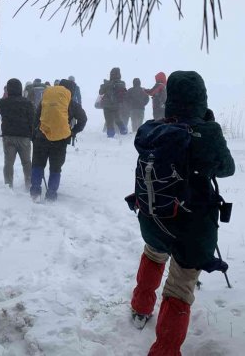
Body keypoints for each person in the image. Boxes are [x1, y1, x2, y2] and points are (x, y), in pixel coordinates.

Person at [129, 71, 235, 355]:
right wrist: (206, 128)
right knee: (180, 285)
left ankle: (140, 308)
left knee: (153, 255)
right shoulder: (208, 132)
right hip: (192, 225)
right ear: (202, 97)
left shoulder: (155, 128)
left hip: (154, 215)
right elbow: (227, 168)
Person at [30, 79, 87, 201]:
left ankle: (35, 193)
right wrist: (72, 132)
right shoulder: (71, 103)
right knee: (55, 168)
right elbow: (83, 119)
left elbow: (36, 116)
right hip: (60, 140)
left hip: (41, 137)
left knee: (37, 165)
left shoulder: (46, 99)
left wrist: (35, 133)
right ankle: (51, 195)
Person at [0, 78, 34, 188]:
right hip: (24, 137)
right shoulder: (27, 103)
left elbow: (0, 110)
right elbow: (32, 120)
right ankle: (29, 183)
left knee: (8, 163)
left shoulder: (2, 103)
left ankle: (8, 185)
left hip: (8, 136)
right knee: (27, 162)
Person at [99, 67, 128, 137]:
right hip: (117, 105)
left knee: (109, 121)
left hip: (107, 105)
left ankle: (111, 135)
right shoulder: (122, 83)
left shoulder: (107, 83)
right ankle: (123, 130)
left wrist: (104, 84)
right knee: (118, 118)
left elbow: (101, 92)